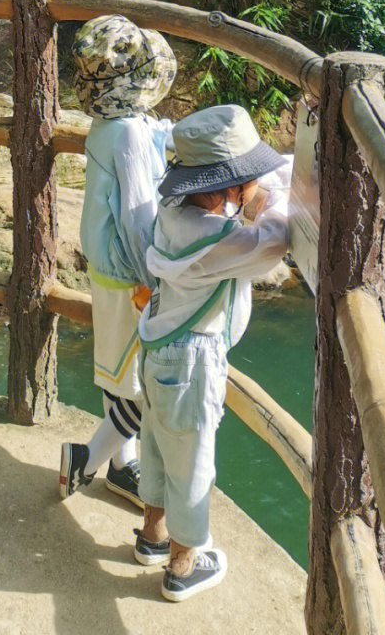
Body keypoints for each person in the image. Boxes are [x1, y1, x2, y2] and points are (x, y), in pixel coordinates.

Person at [134, 103, 292, 602]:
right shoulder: (215, 239)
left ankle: (153, 537)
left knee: (159, 449)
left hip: (158, 354)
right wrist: (263, 201)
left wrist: (248, 188)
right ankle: (183, 565)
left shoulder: (173, 214)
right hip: (193, 364)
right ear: (223, 188)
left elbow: (275, 170)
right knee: (194, 464)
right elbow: (275, 240)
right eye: (242, 181)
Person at [58, 14, 177, 508]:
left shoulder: (112, 122)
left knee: (120, 372)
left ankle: (122, 467)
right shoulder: (127, 135)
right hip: (128, 272)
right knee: (141, 389)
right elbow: (136, 218)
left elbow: (152, 134)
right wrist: (156, 278)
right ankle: (82, 460)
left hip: (106, 269)